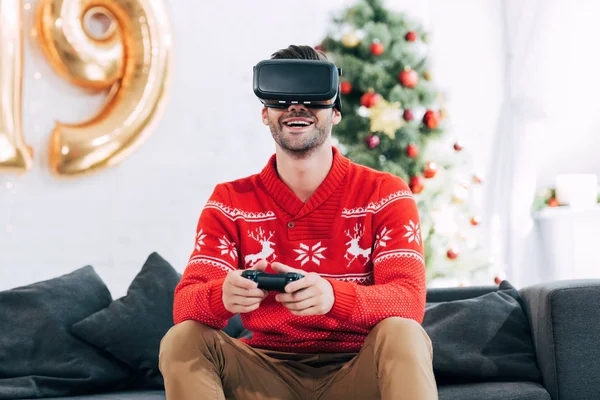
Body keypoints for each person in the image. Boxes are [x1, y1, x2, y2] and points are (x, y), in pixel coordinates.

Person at [159, 45, 438, 400]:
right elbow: (185, 306)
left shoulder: (385, 194)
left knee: (404, 332)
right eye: (282, 100)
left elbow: (408, 302)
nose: (296, 107)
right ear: (265, 113)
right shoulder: (230, 202)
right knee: (182, 338)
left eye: (312, 98)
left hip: (359, 370)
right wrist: (222, 295)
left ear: (335, 113)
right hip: (262, 374)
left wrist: (334, 297)